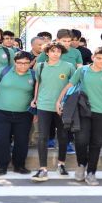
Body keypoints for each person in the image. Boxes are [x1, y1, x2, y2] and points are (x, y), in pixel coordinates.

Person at [56, 47, 102, 186]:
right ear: (93, 57)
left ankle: (91, 172)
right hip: (83, 111)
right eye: (99, 58)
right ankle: (81, 165)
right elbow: (69, 85)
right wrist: (59, 101)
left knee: (96, 143)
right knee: (80, 140)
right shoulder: (83, 70)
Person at [0, 51, 36, 175]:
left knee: (22, 140)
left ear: (30, 63)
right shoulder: (3, 71)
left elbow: (37, 94)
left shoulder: (33, 75)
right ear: (15, 62)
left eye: (26, 63)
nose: (23, 66)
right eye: (20, 63)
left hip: (23, 114)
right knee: (1, 140)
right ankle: (1, 166)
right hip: (0, 112)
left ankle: (19, 165)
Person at [31, 43, 75, 182]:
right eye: (52, 51)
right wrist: (35, 98)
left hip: (62, 107)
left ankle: (61, 164)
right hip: (44, 105)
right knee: (43, 136)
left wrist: (67, 102)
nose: (56, 53)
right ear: (47, 53)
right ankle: (42, 168)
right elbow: (38, 83)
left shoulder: (68, 66)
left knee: (62, 136)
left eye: (58, 51)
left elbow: (73, 84)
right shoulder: (40, 66)